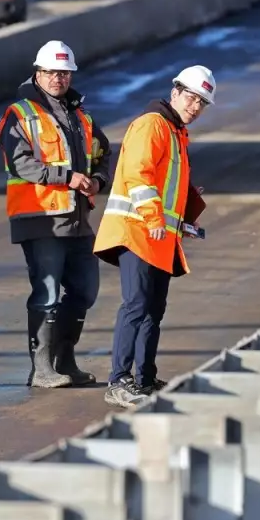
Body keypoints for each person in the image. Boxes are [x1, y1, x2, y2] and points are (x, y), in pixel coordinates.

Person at [93, 66, 213, 409]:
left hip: (158, 236)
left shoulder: (175, 132)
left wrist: (185, 206)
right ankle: (119, 381)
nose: (195, 106)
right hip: (137, 230)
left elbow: (163, 180)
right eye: (191, 98)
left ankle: (144, 377)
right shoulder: (153, 124)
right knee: (136, 305)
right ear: (175, 93)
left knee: (153, 309)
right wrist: (153, 216)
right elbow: (137, 174)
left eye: (201, 103)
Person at [0, 40, 112, 389]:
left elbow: (103, 153)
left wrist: (97, 179)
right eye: (51, 72)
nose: (58, 79)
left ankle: (65, 359)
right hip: (40, 218)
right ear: (38, 74)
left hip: (77, 219)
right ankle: (41, 368)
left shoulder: (80, 116)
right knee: (45, 293)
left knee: (85, 291)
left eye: (64, 73)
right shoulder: (20, 114)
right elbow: (21, 163)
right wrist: (67, 177)